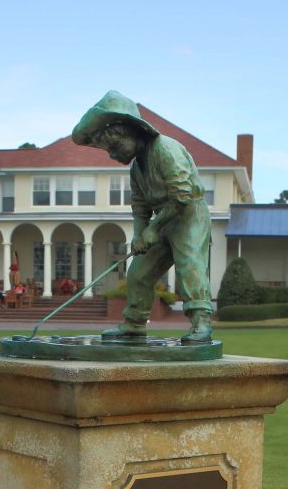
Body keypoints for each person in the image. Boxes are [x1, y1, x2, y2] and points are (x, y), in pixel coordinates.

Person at [72, 90, 213, 342]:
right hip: (163, 221)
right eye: (109, 151)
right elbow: (140, 208)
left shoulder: (165, 149)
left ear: (131, 132)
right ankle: (134, 323)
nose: (113, 156)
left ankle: (201, 322)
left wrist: (152, 228)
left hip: (189, 216)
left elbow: (182, 197)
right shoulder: (137, 167)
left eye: (114, 147)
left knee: (189, 264)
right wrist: (140, 234)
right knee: (138, 272)